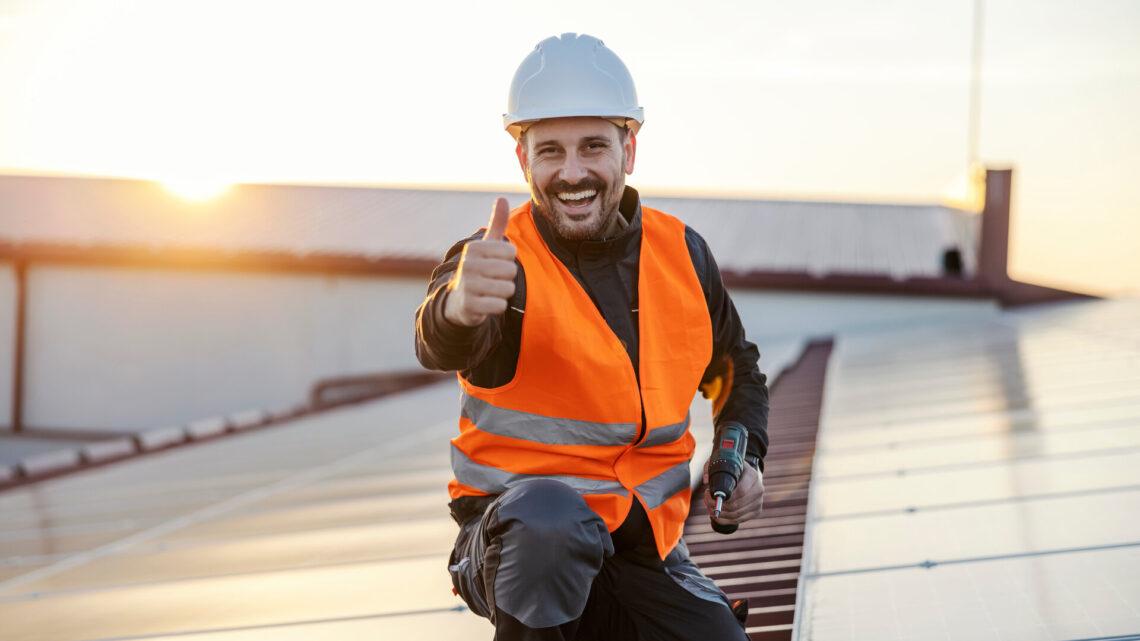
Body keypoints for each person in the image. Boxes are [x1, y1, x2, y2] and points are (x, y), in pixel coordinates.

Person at [414, 32, 770, 641]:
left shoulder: (683, 253)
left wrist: (743, 452)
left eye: (593, 147)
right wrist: (460, 308)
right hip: (516, 543)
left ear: (629, 150)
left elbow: (735, 369)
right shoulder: (497, 262)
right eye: (550, 150)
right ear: (523, 160)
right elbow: (438, 339)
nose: (572, 173)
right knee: (549, 526)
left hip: (642, 548)